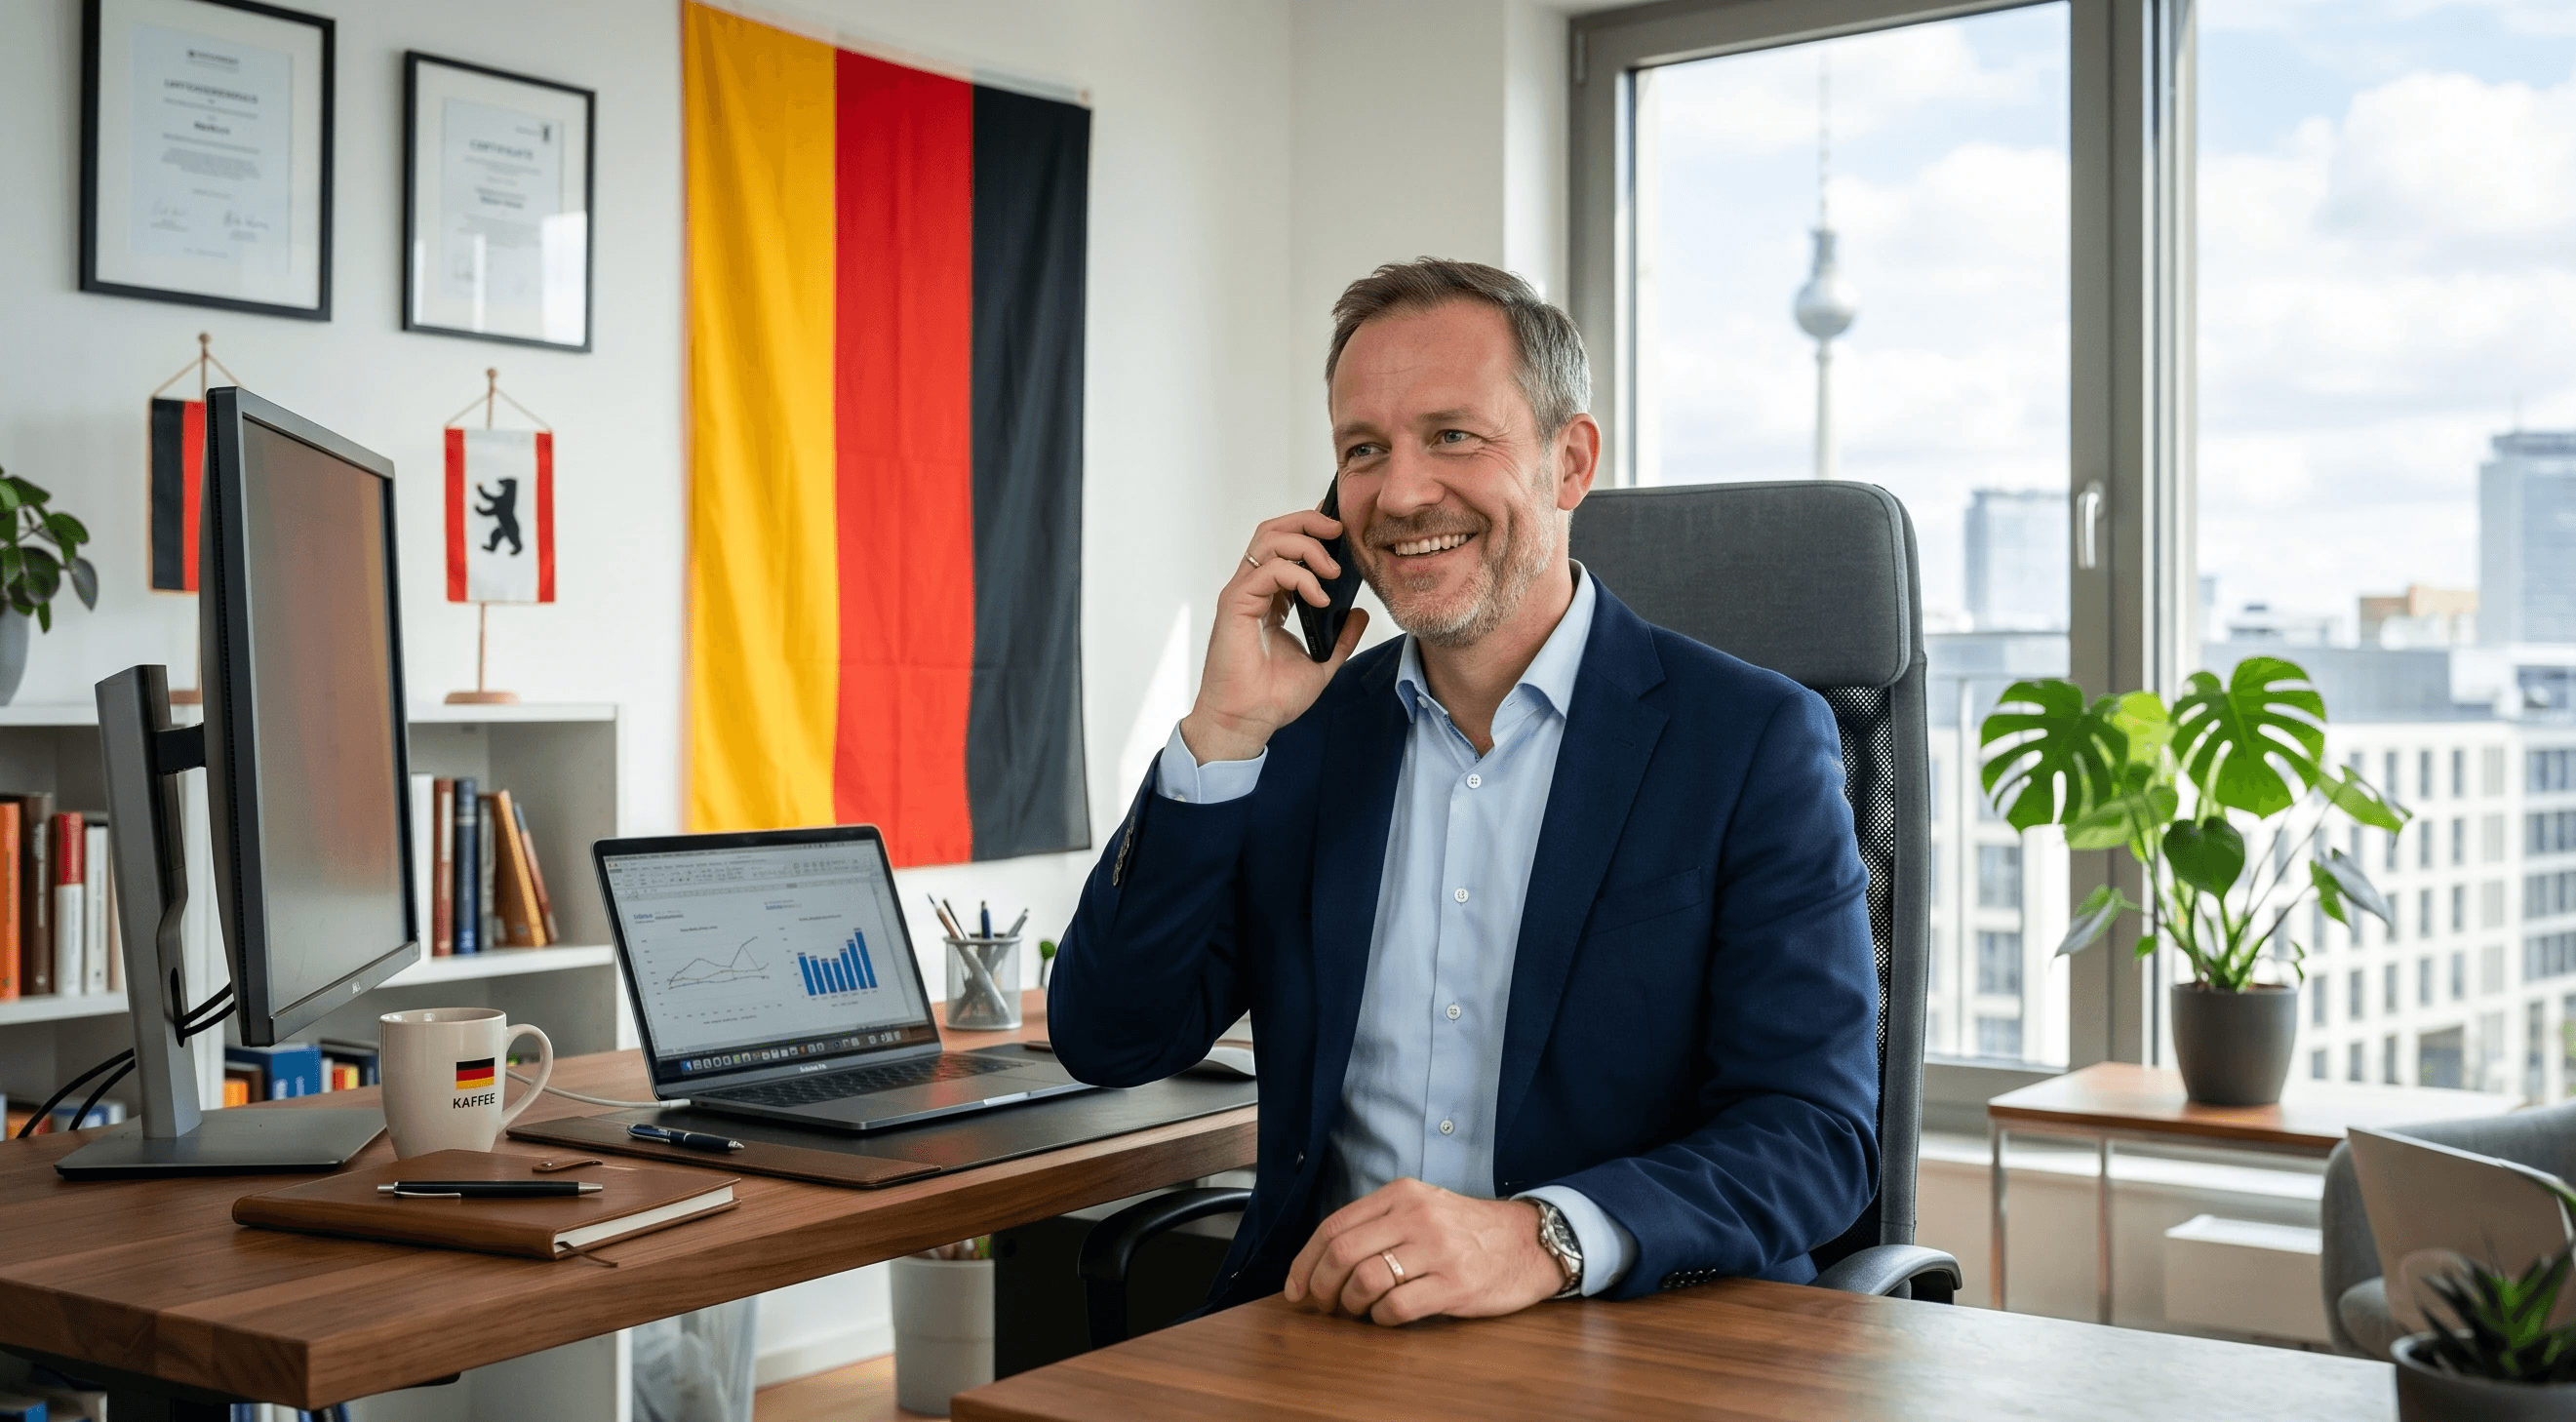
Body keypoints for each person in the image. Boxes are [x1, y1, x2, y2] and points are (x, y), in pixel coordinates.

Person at [1050, 258, 1879, 1325]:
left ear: (1568, 461)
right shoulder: (1299, 740)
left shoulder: (1749, 742)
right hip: (1330, 1344)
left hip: (1629, 1343)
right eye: (1363, 451)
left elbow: (1811, 1137)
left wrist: (1544, 1235)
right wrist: (1221, 737)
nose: (1399, 495)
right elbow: (1112, 1038)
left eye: (1453, 435)